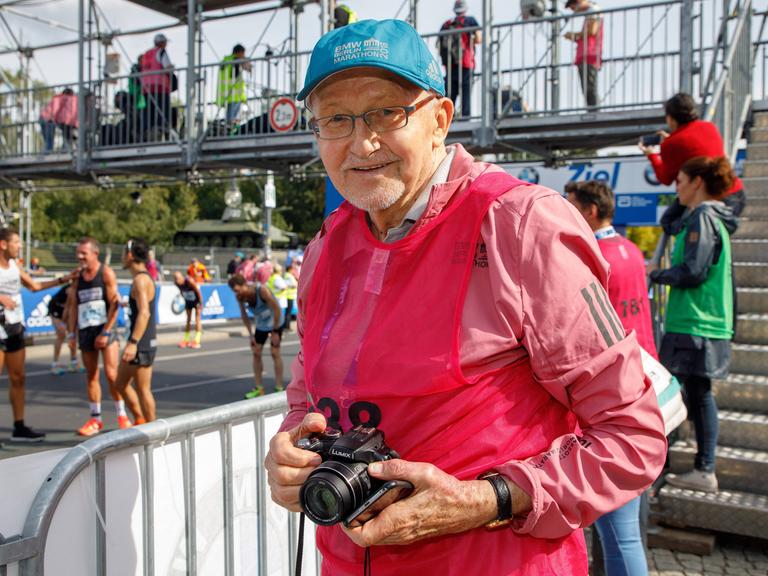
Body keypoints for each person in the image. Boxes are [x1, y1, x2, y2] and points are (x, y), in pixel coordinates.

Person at [264, 19, 666, 575]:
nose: (362, 143)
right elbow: (306, 398)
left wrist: (486, 500)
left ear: (440, 120)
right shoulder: (325, 248)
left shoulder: (520, 226)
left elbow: (632, 436)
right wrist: (290, 449)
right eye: (336, 119)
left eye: (386, 112)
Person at [567, 180, 656, 576]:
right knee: (626, 525)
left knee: (618, 529)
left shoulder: (591, 257)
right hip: (642, 381)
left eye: (571, 206)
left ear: (589, 211)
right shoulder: (632, 251)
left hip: (612, 394)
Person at [648, 156, 738, 493]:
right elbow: (669, 224)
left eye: (680, 182)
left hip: (693, 322)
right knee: (699, 395)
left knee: (662, 398)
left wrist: (656, 273)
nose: (677, 188)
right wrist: (680, 201)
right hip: (709, 323)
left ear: (697, 182)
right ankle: (704, 468)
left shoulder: (703, 216)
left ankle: (650, 472)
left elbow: (693, 271)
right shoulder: (711, 216)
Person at [0, 228, 75, 441]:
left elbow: (34, 286)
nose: (19, 246)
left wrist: (64, 279)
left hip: (14, 326)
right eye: (16, 242)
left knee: (18, 377)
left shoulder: (15, 265)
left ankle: (19, 426)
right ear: (3, 244)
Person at [67, 237, 142, 436]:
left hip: (105, 330)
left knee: (111, 374)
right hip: (86, 330)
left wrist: (106, 331)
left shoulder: (106, 273)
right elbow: (74, 306)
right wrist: (71, 333)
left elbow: (115, 305)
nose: (79, 256)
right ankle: (95, 419)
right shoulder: (78, 277)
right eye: (78, 253)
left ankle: (122, 415)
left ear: (95, 254)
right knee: (91, 375)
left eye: (83, 253)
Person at [639, 92, 746, 219]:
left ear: (671, 118)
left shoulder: (671, 144)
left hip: (709, 202)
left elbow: (665, 179)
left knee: (669, 221)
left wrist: (652, 155)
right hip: (736, 193)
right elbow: (696, 147)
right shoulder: (710, 127)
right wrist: (672, 140)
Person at [114, 238, 157, 424]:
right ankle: (141, 420)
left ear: (130, 255)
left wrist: (133, 343)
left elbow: (144, 313)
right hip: (141, 341)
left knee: (142, 389)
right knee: (120, 384)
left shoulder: (140, 280)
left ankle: (154, 432)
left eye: (124, 253)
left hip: (142, 343)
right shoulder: (142, 279)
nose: (122, 257)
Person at [228, 273, 284, 399]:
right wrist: (251, 335)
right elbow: (244, 316)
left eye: (236, 289)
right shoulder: (240, 297)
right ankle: (259, 388)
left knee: (275, 353)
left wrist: (275, 331)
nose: (236, 293)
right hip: (262, 324)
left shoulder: (261, 290)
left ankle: (279, 387)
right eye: (233, 291)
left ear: (244, 285)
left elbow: (276, 308)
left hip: (276, 321)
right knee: (256, 352)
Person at [438, 0, 481, 117]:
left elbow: (439, 44)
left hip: (450, 65)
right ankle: (465, 118)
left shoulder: (446, 24)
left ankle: (446, 118)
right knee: (465, 94)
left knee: (450, 95)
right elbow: (479, 39)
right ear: (465, 9)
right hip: (466, 63)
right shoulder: (470, 21)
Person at [564, 0, 603, 109]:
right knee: (587, 88)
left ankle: (594, 113)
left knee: (590, 88)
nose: (574, 11)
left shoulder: (593, 10)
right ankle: (593, 111)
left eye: (573, 7)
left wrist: (574, 35)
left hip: (589, 55)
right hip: (586, 55)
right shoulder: (591, 12)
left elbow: (592, 31)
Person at [140, 33, 174, 134]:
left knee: (149, 110)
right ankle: (162, 129)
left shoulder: (147, 54)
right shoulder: (161, 52)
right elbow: (167, 67)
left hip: (147, 87)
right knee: (162, 109)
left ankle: (147, 130)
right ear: (162, 43)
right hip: (160, 86)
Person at [48, 282, 83, 375]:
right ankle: (55, 364)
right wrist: (64, 323)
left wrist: (72, 331)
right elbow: (68, 308)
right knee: (61, 334)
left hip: (67, 310)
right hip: (56, 309)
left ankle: (73, 362)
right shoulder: (71, 290)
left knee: (73, 335)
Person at [218, 44, 252, 128]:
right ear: (239, 53)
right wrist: (246, 61)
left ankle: (228, 129)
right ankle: (231, 131)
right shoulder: (236, 60)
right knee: (233, 119)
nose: (243, 55)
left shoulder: (226, 60)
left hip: (226, 94)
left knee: (229, 118)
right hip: (235, 94)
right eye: (243, 53)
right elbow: (248, 68)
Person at [39, 88, 78, 153]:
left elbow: (56, 109)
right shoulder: (68, 99)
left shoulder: (60, 98)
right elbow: (56, 109)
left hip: (44, 118)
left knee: (48, 141)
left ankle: (46, 154)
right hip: (50, 119)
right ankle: (45, 156)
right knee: (50, 142)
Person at [174, 271, 203, 349]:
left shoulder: (189, 281)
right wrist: (183, 297)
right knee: (188, 319)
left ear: (182, 277)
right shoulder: (176, 283)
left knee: (197, 319)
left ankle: (197, 340)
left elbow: (197, 291)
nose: (177, 281)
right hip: (188, 301)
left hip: (196, 300)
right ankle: (186, 339)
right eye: (175, 279)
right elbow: (181, 290)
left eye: (178, 279)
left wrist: (200, 302)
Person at [283, 258, 299, 331]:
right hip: (290, 296)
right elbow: (294, 284)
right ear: (290, 269)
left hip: (289, 295)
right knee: (288, 313)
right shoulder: (289, 275)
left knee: (287, 312)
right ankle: (287, 326)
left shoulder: (286, 275)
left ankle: (286, 325)